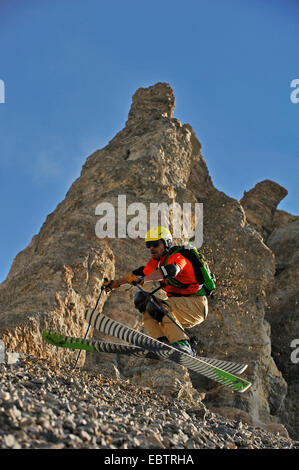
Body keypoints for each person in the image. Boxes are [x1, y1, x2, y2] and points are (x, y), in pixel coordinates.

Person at [104, 226, 208, 355]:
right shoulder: (156, 263)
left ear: (167, 243)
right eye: (149, 245)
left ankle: (182, 344)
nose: (151, 248)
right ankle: (160, 343)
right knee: (142, 300)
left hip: (195, 305)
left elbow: (171, 271)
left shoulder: (178, 257)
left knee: (157, 304)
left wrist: (144, 279)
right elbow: (137, 275)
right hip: (179, 307)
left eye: (155, 244)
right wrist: (115, 284)